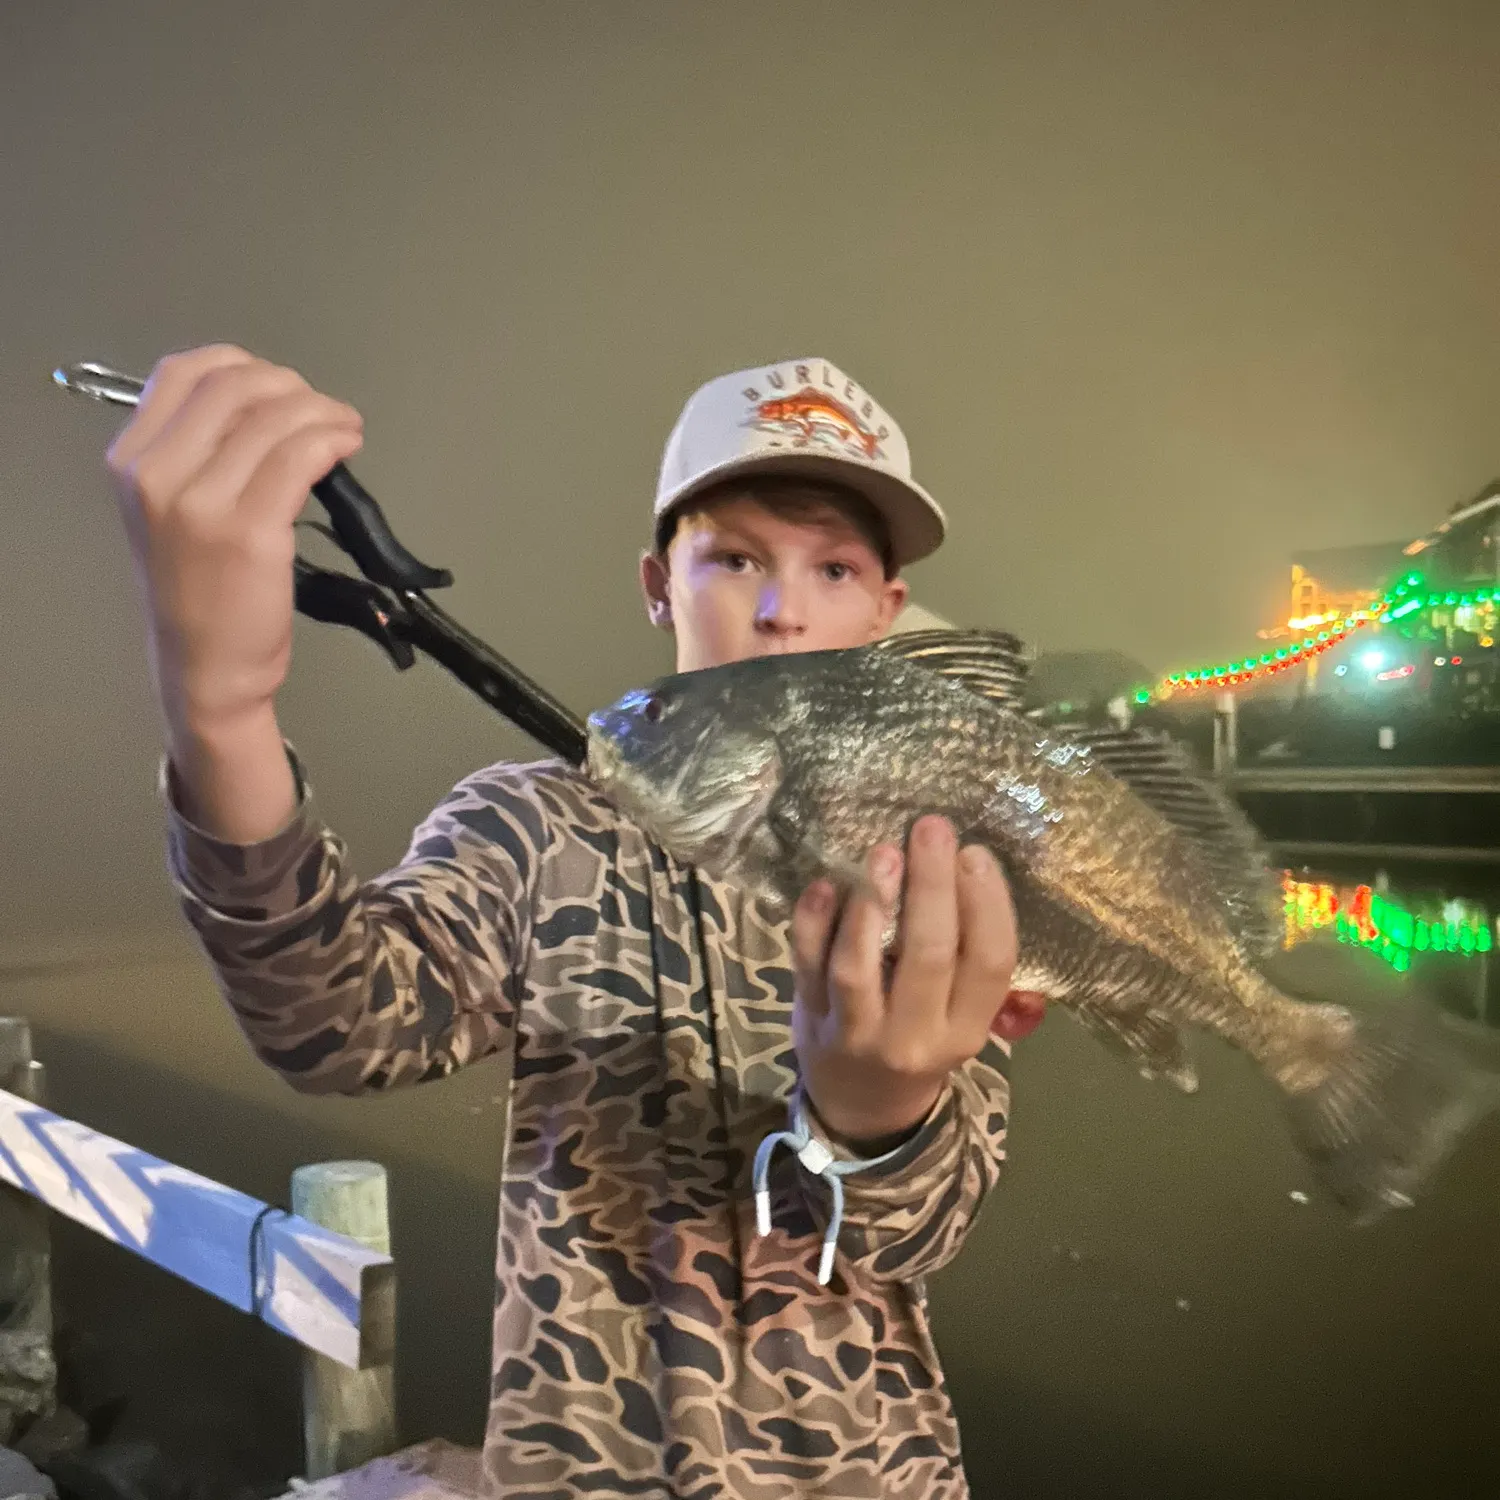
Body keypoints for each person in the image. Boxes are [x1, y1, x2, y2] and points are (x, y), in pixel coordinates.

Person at [106, 347, 1046, 1499]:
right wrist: (220, 711)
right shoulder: (536, 822)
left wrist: (881, 1117)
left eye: (836, 569)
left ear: (886, 612)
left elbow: (926, 1230)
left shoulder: (935, 865)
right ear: (659, 583)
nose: (782, 609)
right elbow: (332, 1024)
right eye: (735, 557)